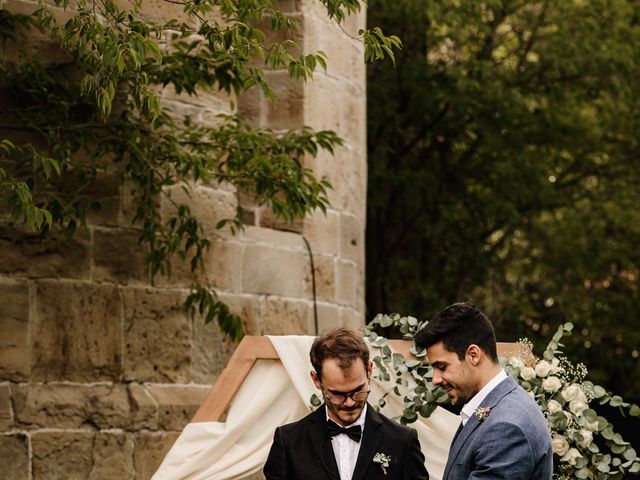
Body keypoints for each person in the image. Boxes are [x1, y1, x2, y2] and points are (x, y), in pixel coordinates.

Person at [264, 327, 429, 480]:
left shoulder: (402, 441)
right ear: (316, 380)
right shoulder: (289, 442)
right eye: (337, 394)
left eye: (358, 391)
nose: (350, 403)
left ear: (370, 371)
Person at [414, 302, 553, 480]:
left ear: (473, 355)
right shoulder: (498, 406)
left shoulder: (506, 428)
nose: (435, 380)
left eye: (442, 367)